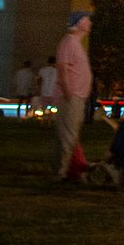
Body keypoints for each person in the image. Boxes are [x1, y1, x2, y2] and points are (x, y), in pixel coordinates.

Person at [52, 10, 93, 179]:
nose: (90, 23)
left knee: (71, 135)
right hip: (71, 97)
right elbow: (62, 68)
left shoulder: (76, 44)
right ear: (79, 23)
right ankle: (60, 173)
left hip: (77, 97)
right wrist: (68, 92)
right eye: (87, 20)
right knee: (67, 135)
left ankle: (70, 169)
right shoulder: (68, 42)